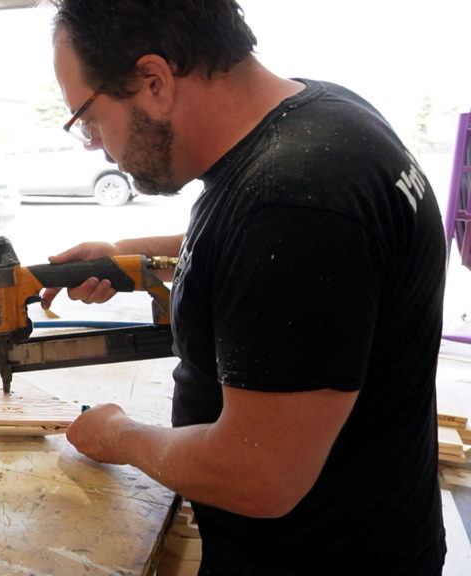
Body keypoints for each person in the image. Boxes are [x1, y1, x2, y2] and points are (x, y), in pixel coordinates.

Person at [45, 1, 447, 574]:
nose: (94, 145)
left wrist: (120, 436)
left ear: (155, 81)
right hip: (375, 529)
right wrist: (125, 256)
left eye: (87, 118)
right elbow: (249, 244)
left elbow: (258, 475)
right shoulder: (320, 116)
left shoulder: (297, 202)